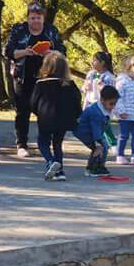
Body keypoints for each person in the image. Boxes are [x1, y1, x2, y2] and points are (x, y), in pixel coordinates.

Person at [4, 2, 66, 158]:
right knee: (22, 111)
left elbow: (62, 52)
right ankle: (22, 145)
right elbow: (8, 51)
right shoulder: (19, 30)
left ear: (43, 18)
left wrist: (50, 53)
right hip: (23, 77)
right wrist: (25, 52)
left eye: (38, 18)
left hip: (46, 78)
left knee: (45, 112)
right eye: (32, 18)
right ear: (28, 18)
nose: (35, 21)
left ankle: (44, 143)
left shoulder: (51, 31)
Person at [30, 51, 82, 182]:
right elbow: (77, 101)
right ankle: (60, 171)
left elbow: (33, 103)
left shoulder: (41, 84)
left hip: (46, 118)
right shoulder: (70, 84)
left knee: (43, 142)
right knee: (57, 144)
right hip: (63, 119)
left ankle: (50, 161)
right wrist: (76, 115)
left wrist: (38, 113)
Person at [75, 86, 118, 177]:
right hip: (83, 131)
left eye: (115, 103)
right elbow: (96, 129)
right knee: (100, 147)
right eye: (111, 104)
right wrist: (98, 142)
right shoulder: (95, 112)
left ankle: (99, 166)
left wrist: (112, 140)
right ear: (102, 100)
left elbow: (106, 126)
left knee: (104, 146)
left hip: (92, 131)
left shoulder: (104, 110)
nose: (113, 106)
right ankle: (92, 168)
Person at [113, 56, 134, 165]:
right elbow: (118, 97)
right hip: (124, 113)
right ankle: (120, 155)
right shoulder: (122, 81)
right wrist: (120, 111)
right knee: (124, 135)